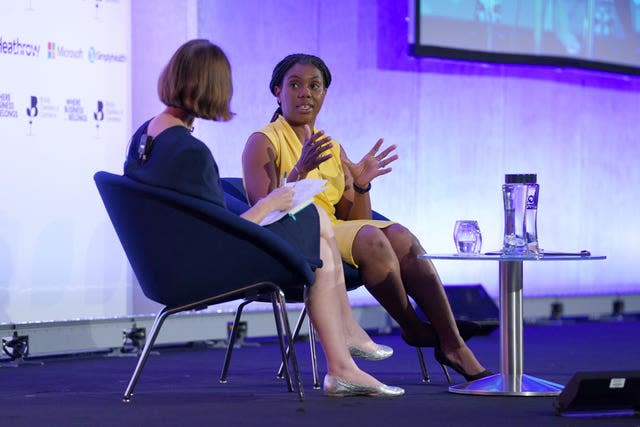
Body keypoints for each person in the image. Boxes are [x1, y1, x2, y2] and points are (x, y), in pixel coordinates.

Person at [123, 40, 403, 397]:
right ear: (212, 88)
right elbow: (221, 235)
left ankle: (344, 359)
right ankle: (343, 359)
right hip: (199, 267)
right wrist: (270, 203)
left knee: (315, 221)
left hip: (165, 263)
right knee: (315, 221)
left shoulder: (146, 136)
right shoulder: (188, 152)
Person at [242, 53, 491, 382]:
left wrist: (360, 184)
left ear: (324, 94)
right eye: (295, 85)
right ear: (277, 91)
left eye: (314, 86)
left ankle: (453, 343)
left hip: (335, 231)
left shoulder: (331, 145)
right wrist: (299, 171)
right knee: (373, 239)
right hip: (297, 236)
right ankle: (414, 328)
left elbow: (356, 219)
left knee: (400, 235)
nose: (305, 93)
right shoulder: (263, 141)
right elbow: (265, 213)